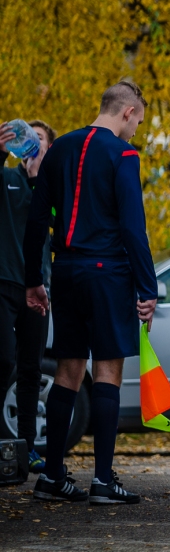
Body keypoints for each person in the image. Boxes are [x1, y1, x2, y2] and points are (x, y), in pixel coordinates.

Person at [24, 79, 157, 505]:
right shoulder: (123, 154)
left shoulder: (59, 149)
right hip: (108, 273)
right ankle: (102, 480)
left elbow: (35, 221)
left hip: (65, 273)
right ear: (127, 112)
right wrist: (147, 287)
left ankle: (53, 475)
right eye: (138, 120)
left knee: (67, 370)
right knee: (107, 372)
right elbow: (133, 228)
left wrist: (33, 279)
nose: (136, 130)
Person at [0, 120, 55, 473]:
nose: (29, 145)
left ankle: (26, 448)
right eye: (25, 138)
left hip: (39, 290)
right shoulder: (7, 178)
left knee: (32, 369)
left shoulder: (52, 186)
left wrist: (38, 178)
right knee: (4, 361)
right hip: (4, 283)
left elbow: (53, 222)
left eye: (37, 140)